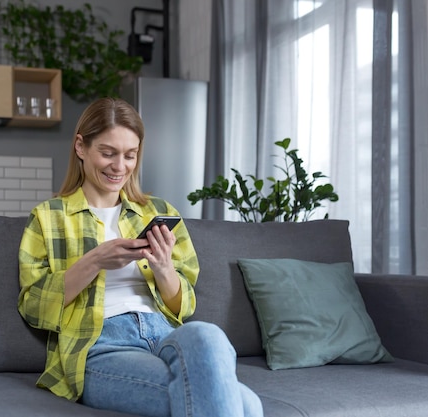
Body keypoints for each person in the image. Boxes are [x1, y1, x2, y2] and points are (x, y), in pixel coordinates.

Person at [18, 97, 263, 417]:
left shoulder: (160, 213)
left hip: (166, 336)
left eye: (129, 155)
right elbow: (33, 306)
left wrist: (163, 268)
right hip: (102, 346)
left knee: (207, 333)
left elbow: (185, 305)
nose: (119, 166)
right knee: (247, 404)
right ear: (81, 147)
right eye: (108, 153)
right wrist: (94, 261)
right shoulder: (49, 217)